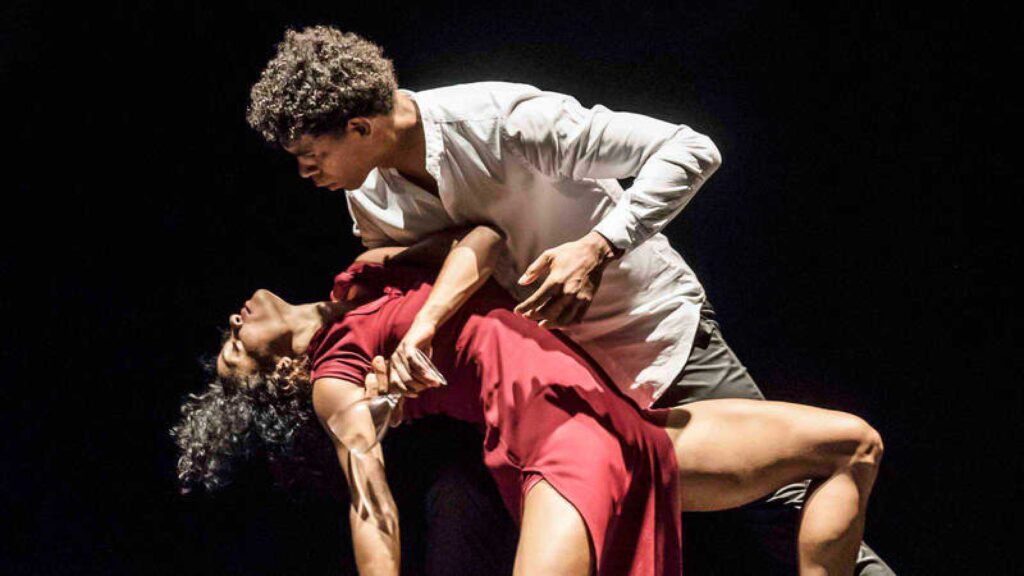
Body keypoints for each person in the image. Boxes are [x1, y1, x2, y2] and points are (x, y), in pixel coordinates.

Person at [245, 26, 895, 574]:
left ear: (360, 126)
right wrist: (403, 357)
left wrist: (599, 245)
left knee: (781, 513)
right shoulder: (369, 199)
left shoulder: (503, 122)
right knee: (465, 521)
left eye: (312, 153)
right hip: (554, 389)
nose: (306, 172)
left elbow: (691, 149)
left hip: (649, 338)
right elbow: (457, 265)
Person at [175, 226, 883, 576]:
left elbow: (485, 238)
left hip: (629, 427)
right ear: (284, 373)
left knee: (853, 445)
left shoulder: (366, 276)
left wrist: (424, 322)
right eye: (236, 348)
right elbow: (371, 501)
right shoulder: (336, 372)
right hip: (562, 451)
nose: (233, 322)